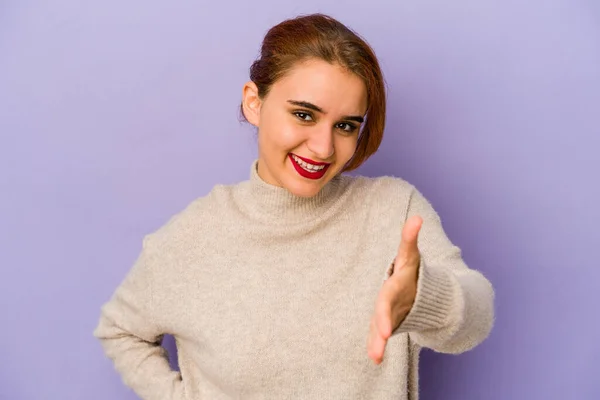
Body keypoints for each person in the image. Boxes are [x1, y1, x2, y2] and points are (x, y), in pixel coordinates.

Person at [94, 13, 495, 400]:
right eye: (304, 115)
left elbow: (477, 313)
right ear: (254, 102)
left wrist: (425, 299)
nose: (323, 148)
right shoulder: (192, 238)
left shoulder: (393, 209)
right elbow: (119, 330)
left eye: (346, 126)